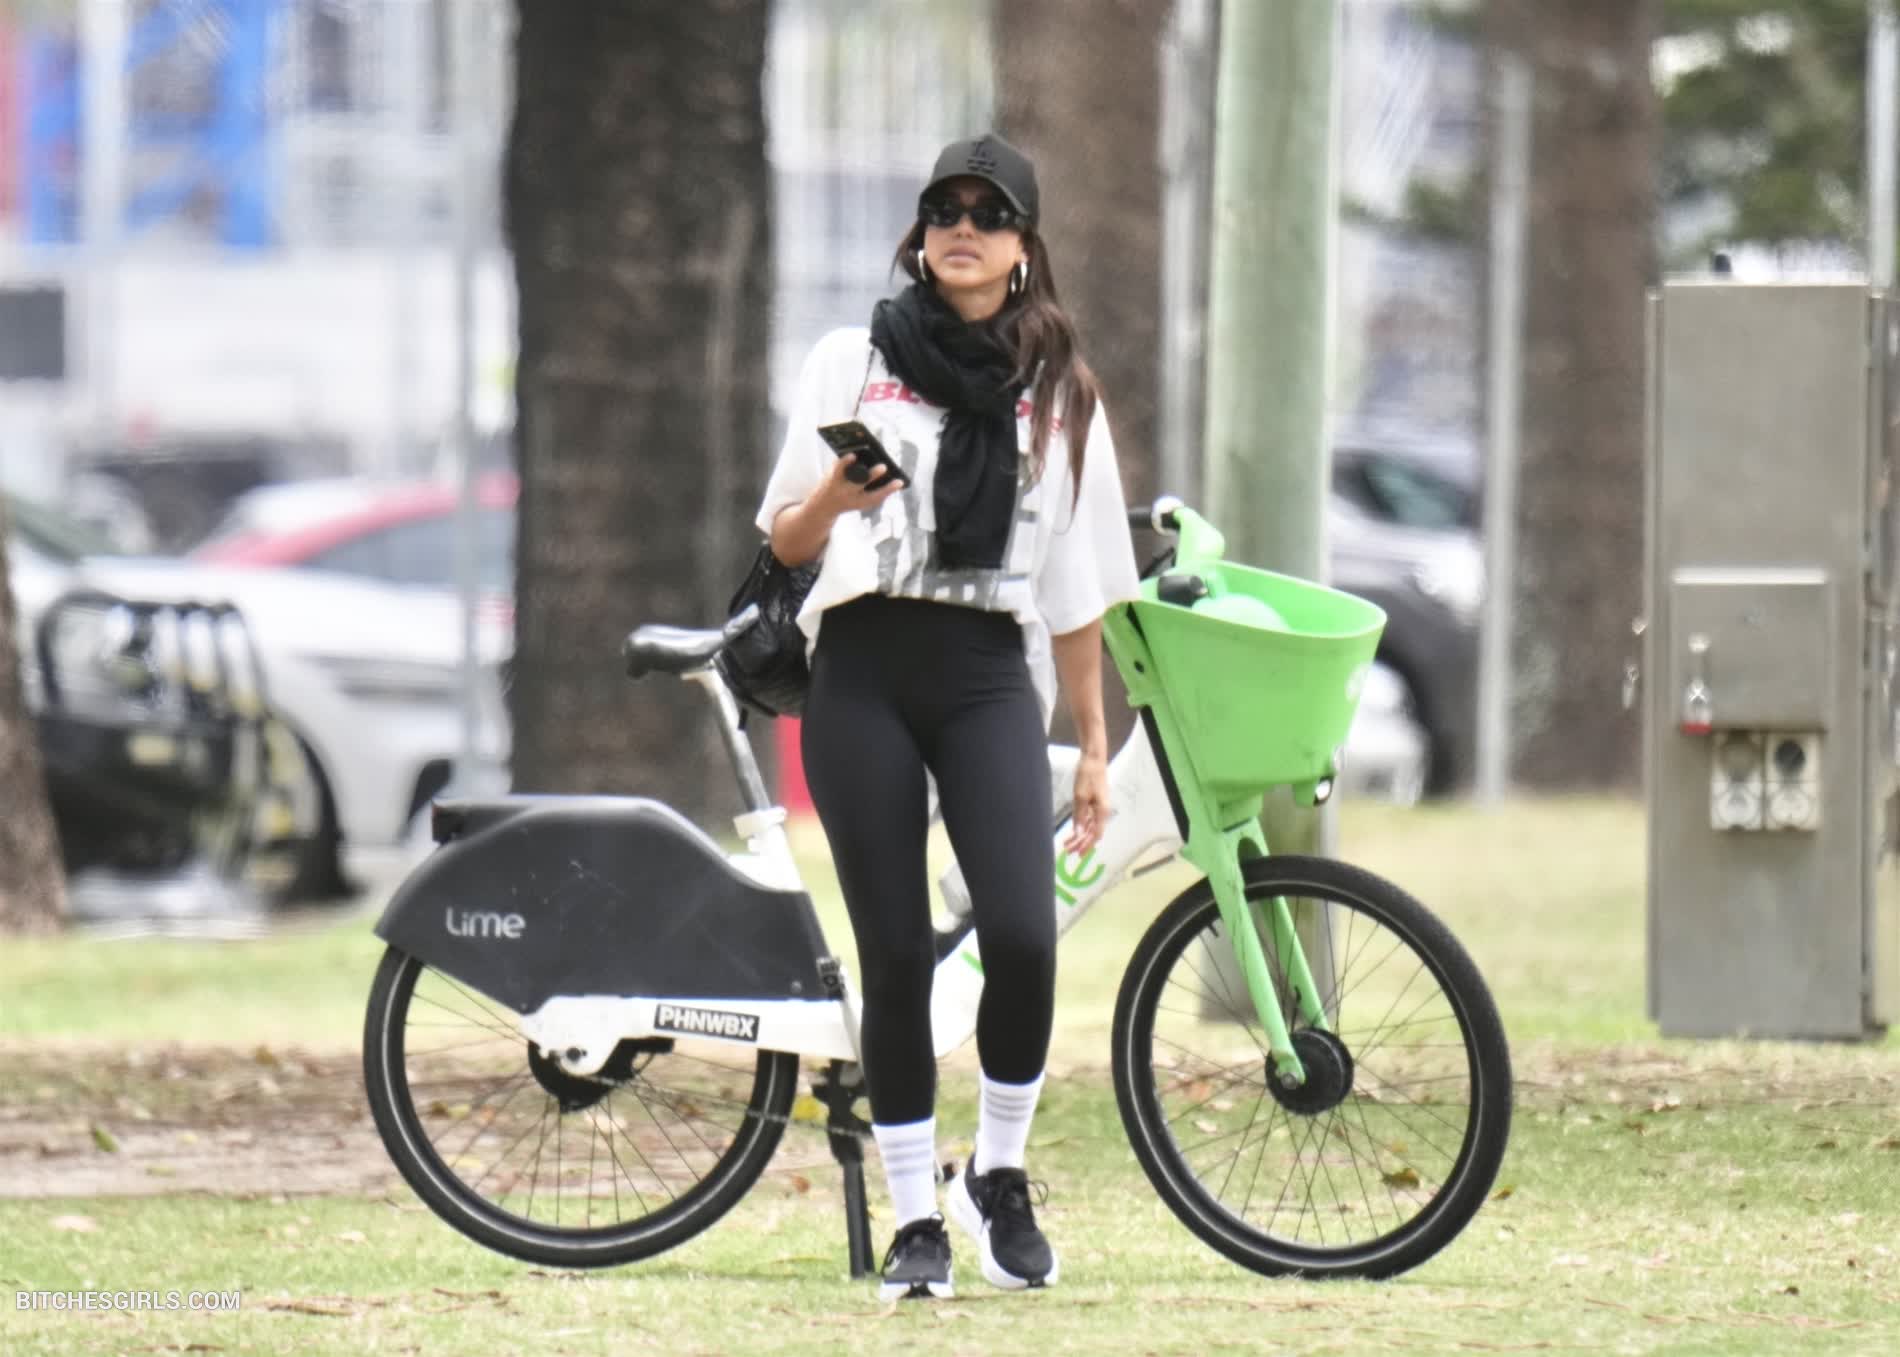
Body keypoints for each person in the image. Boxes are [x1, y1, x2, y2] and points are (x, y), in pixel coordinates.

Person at [753, 133, 1141, 1301]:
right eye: (944, 209)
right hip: (864, 666)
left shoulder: (1060, 392)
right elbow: (784, 538)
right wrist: (837, 495)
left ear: (1023, 244)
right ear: (921, 233)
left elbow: (1075, 586)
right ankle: (916, 1216)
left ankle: (997, 1177)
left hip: (985, 676)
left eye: (989, 212)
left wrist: (1091, 743)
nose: (962, 228)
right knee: (894, 954)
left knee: (1021, 932)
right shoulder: (852, 359)